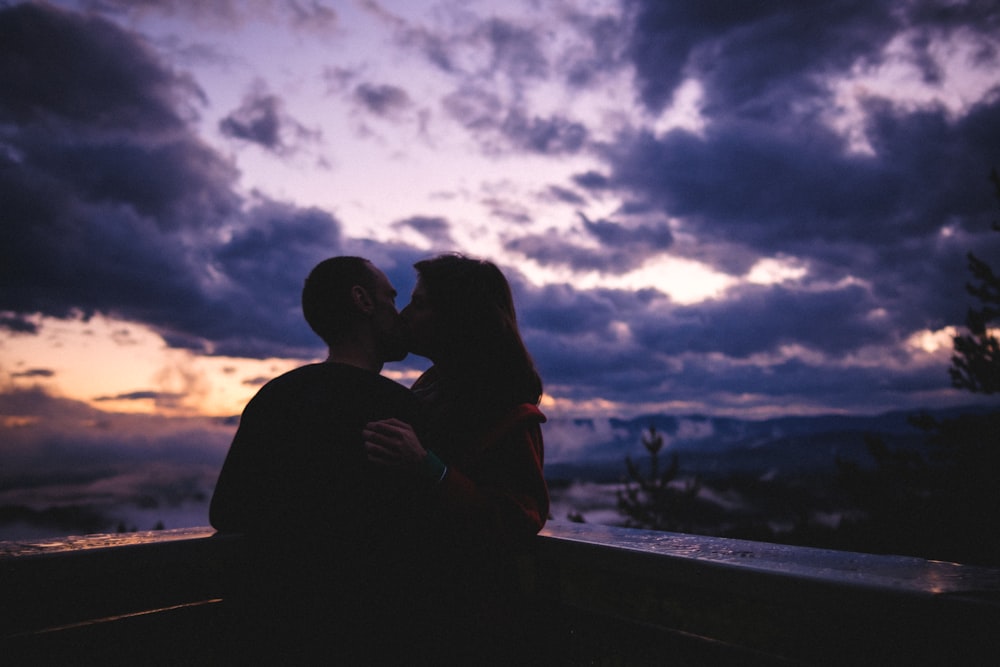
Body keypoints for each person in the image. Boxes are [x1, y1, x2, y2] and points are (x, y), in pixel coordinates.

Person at [209, 256, 420, 663]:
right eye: (390, 299)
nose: (401, 314)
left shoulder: (276, 397)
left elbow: (227, 510)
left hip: (274, 633)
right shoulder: (399, 410)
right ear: (362, 301)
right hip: (374, 636)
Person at [363, 253, 549, 665]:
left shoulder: (507, 410)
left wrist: (429, 468)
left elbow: (523, 515)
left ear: (458, 319)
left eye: (422, 303)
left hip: (470, 624)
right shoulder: (432, 386)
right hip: (419, 610)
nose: (407, 314)